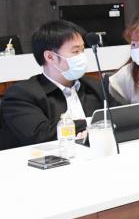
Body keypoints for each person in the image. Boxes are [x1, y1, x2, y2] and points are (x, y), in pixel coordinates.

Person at [0, 20, 112, 150]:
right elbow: (40, 135)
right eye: (75, 51)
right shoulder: (21, 94)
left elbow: (120, 115)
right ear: (50, 57)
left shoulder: (95, 86)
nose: (81, 56)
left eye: (82, 50)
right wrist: (91, 124)